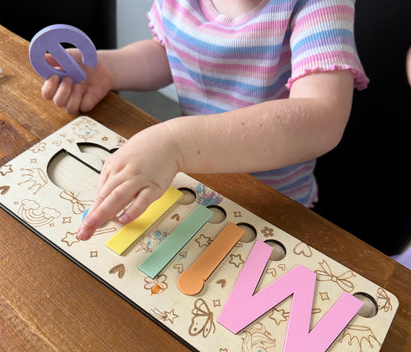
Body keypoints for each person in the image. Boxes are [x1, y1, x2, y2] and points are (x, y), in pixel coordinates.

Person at [41, 0, 369, 241]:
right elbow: (169, 54)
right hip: (197, 188)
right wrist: (109, 69)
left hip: (271, 210)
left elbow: (322, 117)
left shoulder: (319, 6)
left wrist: (176, 143)